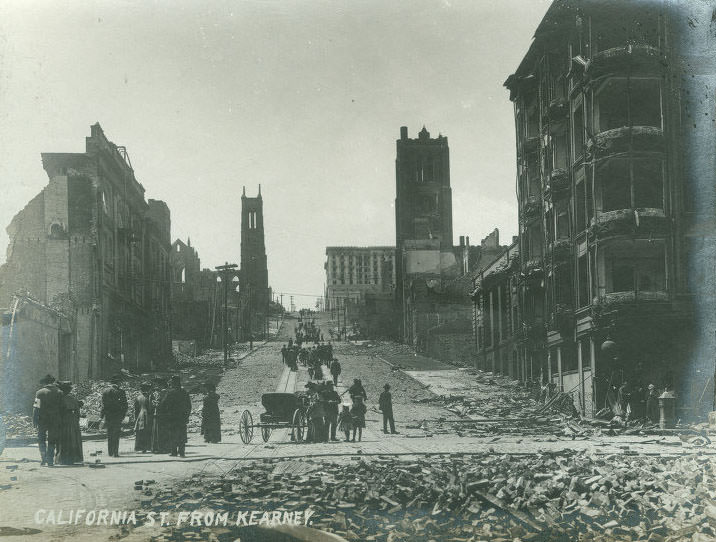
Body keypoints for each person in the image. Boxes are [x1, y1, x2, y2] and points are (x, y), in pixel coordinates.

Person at [33, 374, 63, 466]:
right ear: (52, 382)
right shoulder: (59, 392)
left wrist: (34, 419)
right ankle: (50, 460)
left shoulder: (39, 392)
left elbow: (36, 407)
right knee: (52, 440)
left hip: (42, 420)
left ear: (44, 383)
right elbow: (62, 408)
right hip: (55, 419)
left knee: (41, 439)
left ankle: (43, 458)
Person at [159, 375, 192, 457]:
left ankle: (174, 452)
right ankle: (182, 452)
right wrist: (187, 416)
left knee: (173, 434)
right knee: (182, 434)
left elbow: (163, 404)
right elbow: (189, 406)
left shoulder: (170, 393)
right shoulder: (184, 392)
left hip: (172, 418)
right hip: (182, 417)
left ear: (173, 383)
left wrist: (165, 414)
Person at [56, 381, 84, 465]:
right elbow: (78, 413)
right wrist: (76, 421)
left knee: (63, 440)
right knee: (73, 440)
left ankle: (62, 459)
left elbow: (58, 412)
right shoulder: (73, 399)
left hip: (63, 421)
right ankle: (73, 458)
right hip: (73, 421)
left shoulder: (59, 399)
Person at [100, 374, 128, 457]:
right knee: (116, 434)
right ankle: (115, 452)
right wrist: (122, 416)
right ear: (118, 382)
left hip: (108, 416)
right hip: (117, 416)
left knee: (109, 434)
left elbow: (103, 405)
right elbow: (125, 405)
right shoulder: (121, 391)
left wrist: (101, 416)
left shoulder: (105, 391)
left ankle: (110, 452)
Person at [151, 378, 170, 453]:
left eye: (157, 385)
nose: (156, 386)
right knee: (160, 431)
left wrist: (155, 404)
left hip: (161, 414)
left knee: (159, 431)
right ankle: (161, 447)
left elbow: (161, 403)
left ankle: (160, 448)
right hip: (161, 414)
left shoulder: (164, 393)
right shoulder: (161, 393)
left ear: (161, 385)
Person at [134, 382, 153, 453]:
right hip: (148, 415)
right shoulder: (149, 397)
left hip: (140, 415)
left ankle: (140, 447)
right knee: (148, 431)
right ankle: (147, 447)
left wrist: (136, 418)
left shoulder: (138, 397)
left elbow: (136, 409)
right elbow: (151, 408)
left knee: (140, 432)